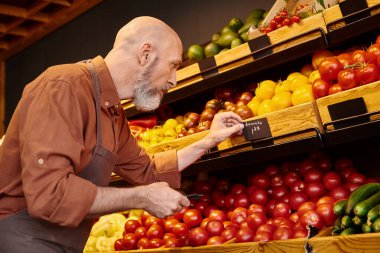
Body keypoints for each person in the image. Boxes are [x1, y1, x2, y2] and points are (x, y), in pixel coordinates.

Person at [0, 16, 244, 252]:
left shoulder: (113, 112)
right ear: (145, 54)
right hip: (19, 239)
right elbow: (49, 195)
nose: (173, 80)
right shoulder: (63, 85)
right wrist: (141, 198)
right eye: (173, 66)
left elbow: (149, 172)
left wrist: (210, 139)